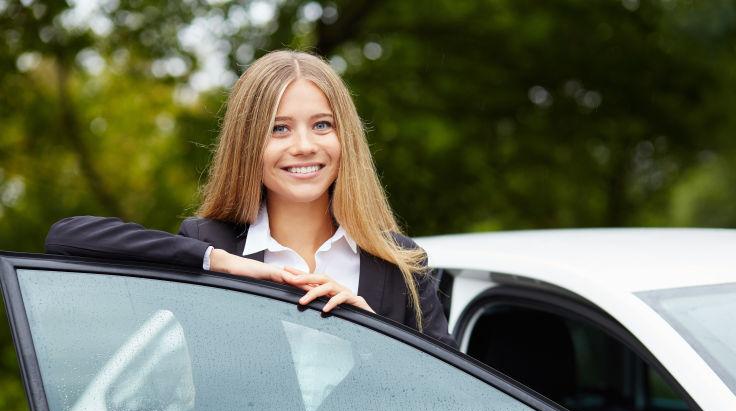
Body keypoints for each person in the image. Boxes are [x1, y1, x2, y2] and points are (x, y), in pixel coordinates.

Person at [46, 49, 455, 348]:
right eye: (279, 129)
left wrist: (376, 332)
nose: (304, 145)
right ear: (247, 144)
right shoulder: (212, 244)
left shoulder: (399, 262)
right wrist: (221, 264)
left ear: (344, 137)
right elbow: (66, 239)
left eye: (322, 125)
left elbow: (456, 399)